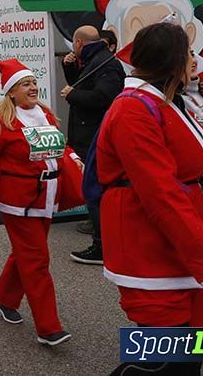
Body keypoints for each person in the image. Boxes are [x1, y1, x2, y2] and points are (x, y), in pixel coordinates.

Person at [97, 23, 203, 376]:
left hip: (180, 243)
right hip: (153, 246)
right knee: (166, 358)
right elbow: (161, 193)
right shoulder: (133, 109)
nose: (193, 61)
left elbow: (185, 162)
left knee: (200, 344)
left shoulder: (162, 100)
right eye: (189, 54)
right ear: (173, 62)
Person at [0, 59, 84, 346]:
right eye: (26, 84)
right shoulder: (1, 122)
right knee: (36, 260)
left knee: (26, 253)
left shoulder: (44, 113)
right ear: (11, 91)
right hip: (19, 201)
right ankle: (49, 327)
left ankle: (3, 298)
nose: (33, 87)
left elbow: (59, 143)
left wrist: (72, 157)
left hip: (47, 195)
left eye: (34, 82)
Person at [62, 25, 125, 265]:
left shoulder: (105, 63)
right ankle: (105, 241)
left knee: (96, 192)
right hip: (88, 134)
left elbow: (105, 97)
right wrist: (68, 67)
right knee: (95, 190)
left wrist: (72, 95)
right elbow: (81, 84)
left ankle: (102, 246)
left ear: (79, 43)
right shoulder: (92, 60)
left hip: (95, 136)